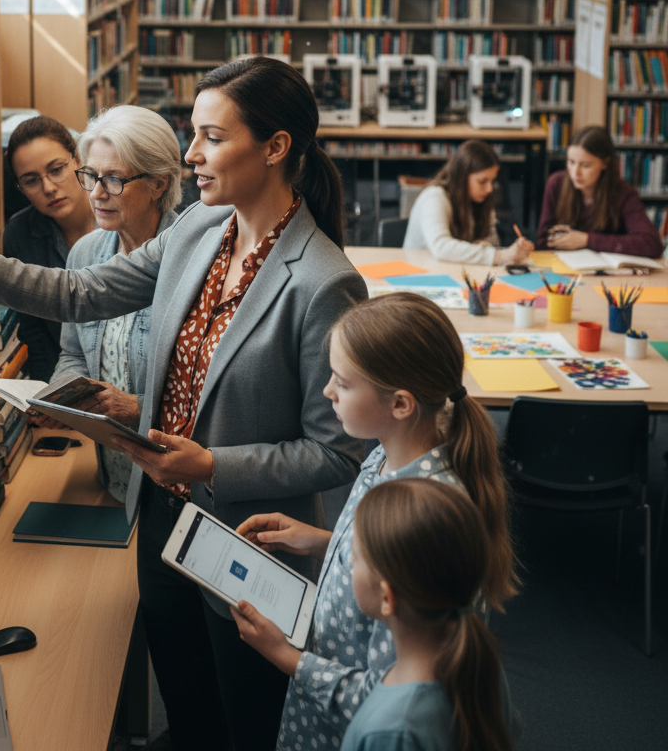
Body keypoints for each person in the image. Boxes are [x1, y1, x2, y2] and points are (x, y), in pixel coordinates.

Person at [0, 56, 368, 751]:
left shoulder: (322, 282)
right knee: (188, 708)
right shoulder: (196, 232)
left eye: (213, 138)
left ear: (276, 147)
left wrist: (213, 462)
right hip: (160, 520)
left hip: (246, 541)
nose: (191, 155)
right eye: (193, 135)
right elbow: (80, 294)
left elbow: (337, 451)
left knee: (245, 721)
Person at [229, 291, 515, 751]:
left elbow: (385, 689)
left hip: (350, 724)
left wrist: (287, 658)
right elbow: (385, 553)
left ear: (400, 404)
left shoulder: (427, 513)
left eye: (342, 383)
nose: (327, 392)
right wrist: (327, 542)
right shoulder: (387, 452)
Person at [52, 104, 182, 502]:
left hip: (173, 483)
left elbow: (213, 393)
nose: (94, 194)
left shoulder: (191, 262)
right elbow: (72, 351)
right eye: (91, 175)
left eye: (112, 179)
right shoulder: (85, 253)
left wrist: (137, 407)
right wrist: (59, 396)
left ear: (159, 184)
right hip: (110, 478)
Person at [340, 479, 514, 751]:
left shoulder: (394, 732)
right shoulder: (481, 661)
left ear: (387, 598)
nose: (351, 565)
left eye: (355, 559)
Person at [2, 115, 95, 380]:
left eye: (56, 169)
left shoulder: (117, 210)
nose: (49, 188)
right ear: (21, 189)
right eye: (31, 181)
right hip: (65, 379)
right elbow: (33, 331)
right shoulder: (20, 234)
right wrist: (53, 400)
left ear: (77, 160)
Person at [536, 125, 664, 259]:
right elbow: (543, 243)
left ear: (605, 163)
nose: (575, 172)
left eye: (585, 165)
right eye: (571, 162)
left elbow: (651, 244)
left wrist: (586, 240)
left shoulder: (623, 193)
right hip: (563, 269)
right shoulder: (556, 183)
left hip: (608, 274)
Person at [402, 140, 533, 265]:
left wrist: (510, 251)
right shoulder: (434, 197)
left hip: (453, 272)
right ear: (462, 177)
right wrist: (499, 256)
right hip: (421, 275)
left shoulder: (479, 197)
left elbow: (492, 241)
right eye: (482, 182)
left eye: (492, 181)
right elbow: (441, 247)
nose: (489, 189)